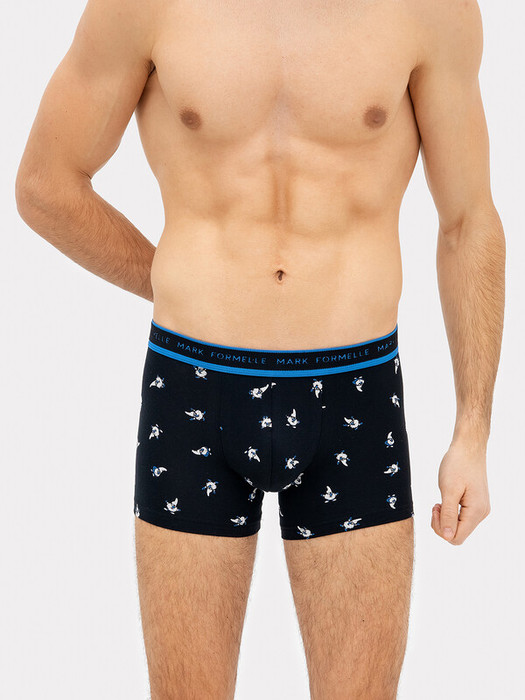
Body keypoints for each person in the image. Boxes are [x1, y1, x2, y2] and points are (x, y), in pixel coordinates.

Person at [15, 0, 505, 697]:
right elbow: (46, 184)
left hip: (355, 390)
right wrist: (171, 278)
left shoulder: (429, 9)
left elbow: (467, 220)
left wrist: (473, 431)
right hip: (194, 384)